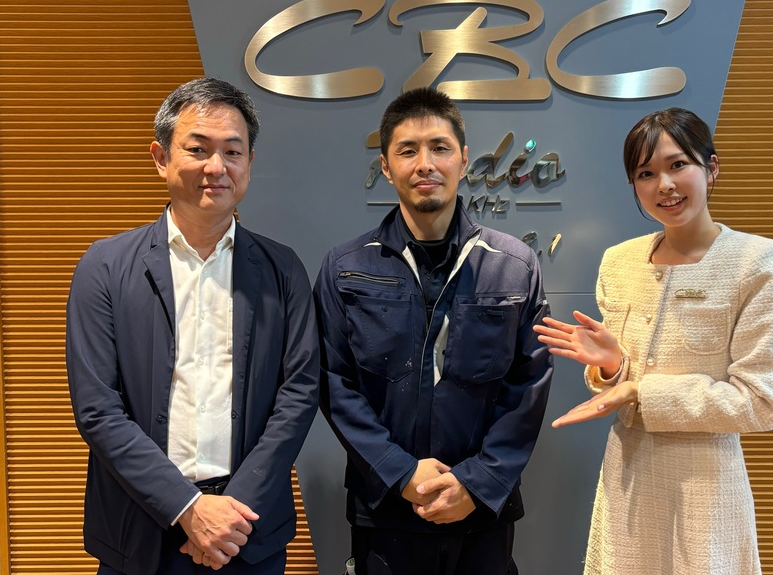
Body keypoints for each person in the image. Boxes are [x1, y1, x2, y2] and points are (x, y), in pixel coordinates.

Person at [66, 77, 320, 575]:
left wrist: (229, 515)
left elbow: (299, 394)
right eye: (198, 149)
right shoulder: (105, 266)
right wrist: (186, 507)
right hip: (139, 530)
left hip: (247, 530)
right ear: (161, 158)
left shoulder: (283, 270)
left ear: (249, 162)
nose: (216, 167)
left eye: (232, 151)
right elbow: (98, 408)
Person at [534, 107, 773, 575]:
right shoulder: (619, 262)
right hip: (628, 474)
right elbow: (619, 381)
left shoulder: (757, 262)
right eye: (646, 173)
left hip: (707, 485)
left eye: (678, 165)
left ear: (711, 168)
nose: (664, 185)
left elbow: (761, 403)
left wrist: (640, 390)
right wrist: (613, 368)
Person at [314, 87, 553, 575]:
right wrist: (400, 472)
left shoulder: (514, 265)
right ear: (386, 167)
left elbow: (528, 386)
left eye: (439, 148)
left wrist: (477, 483)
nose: (425, 164)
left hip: (481, 512)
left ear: (463, 159)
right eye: (407, 151)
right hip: (387, 508)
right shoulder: (345, 267)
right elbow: (333, 382)